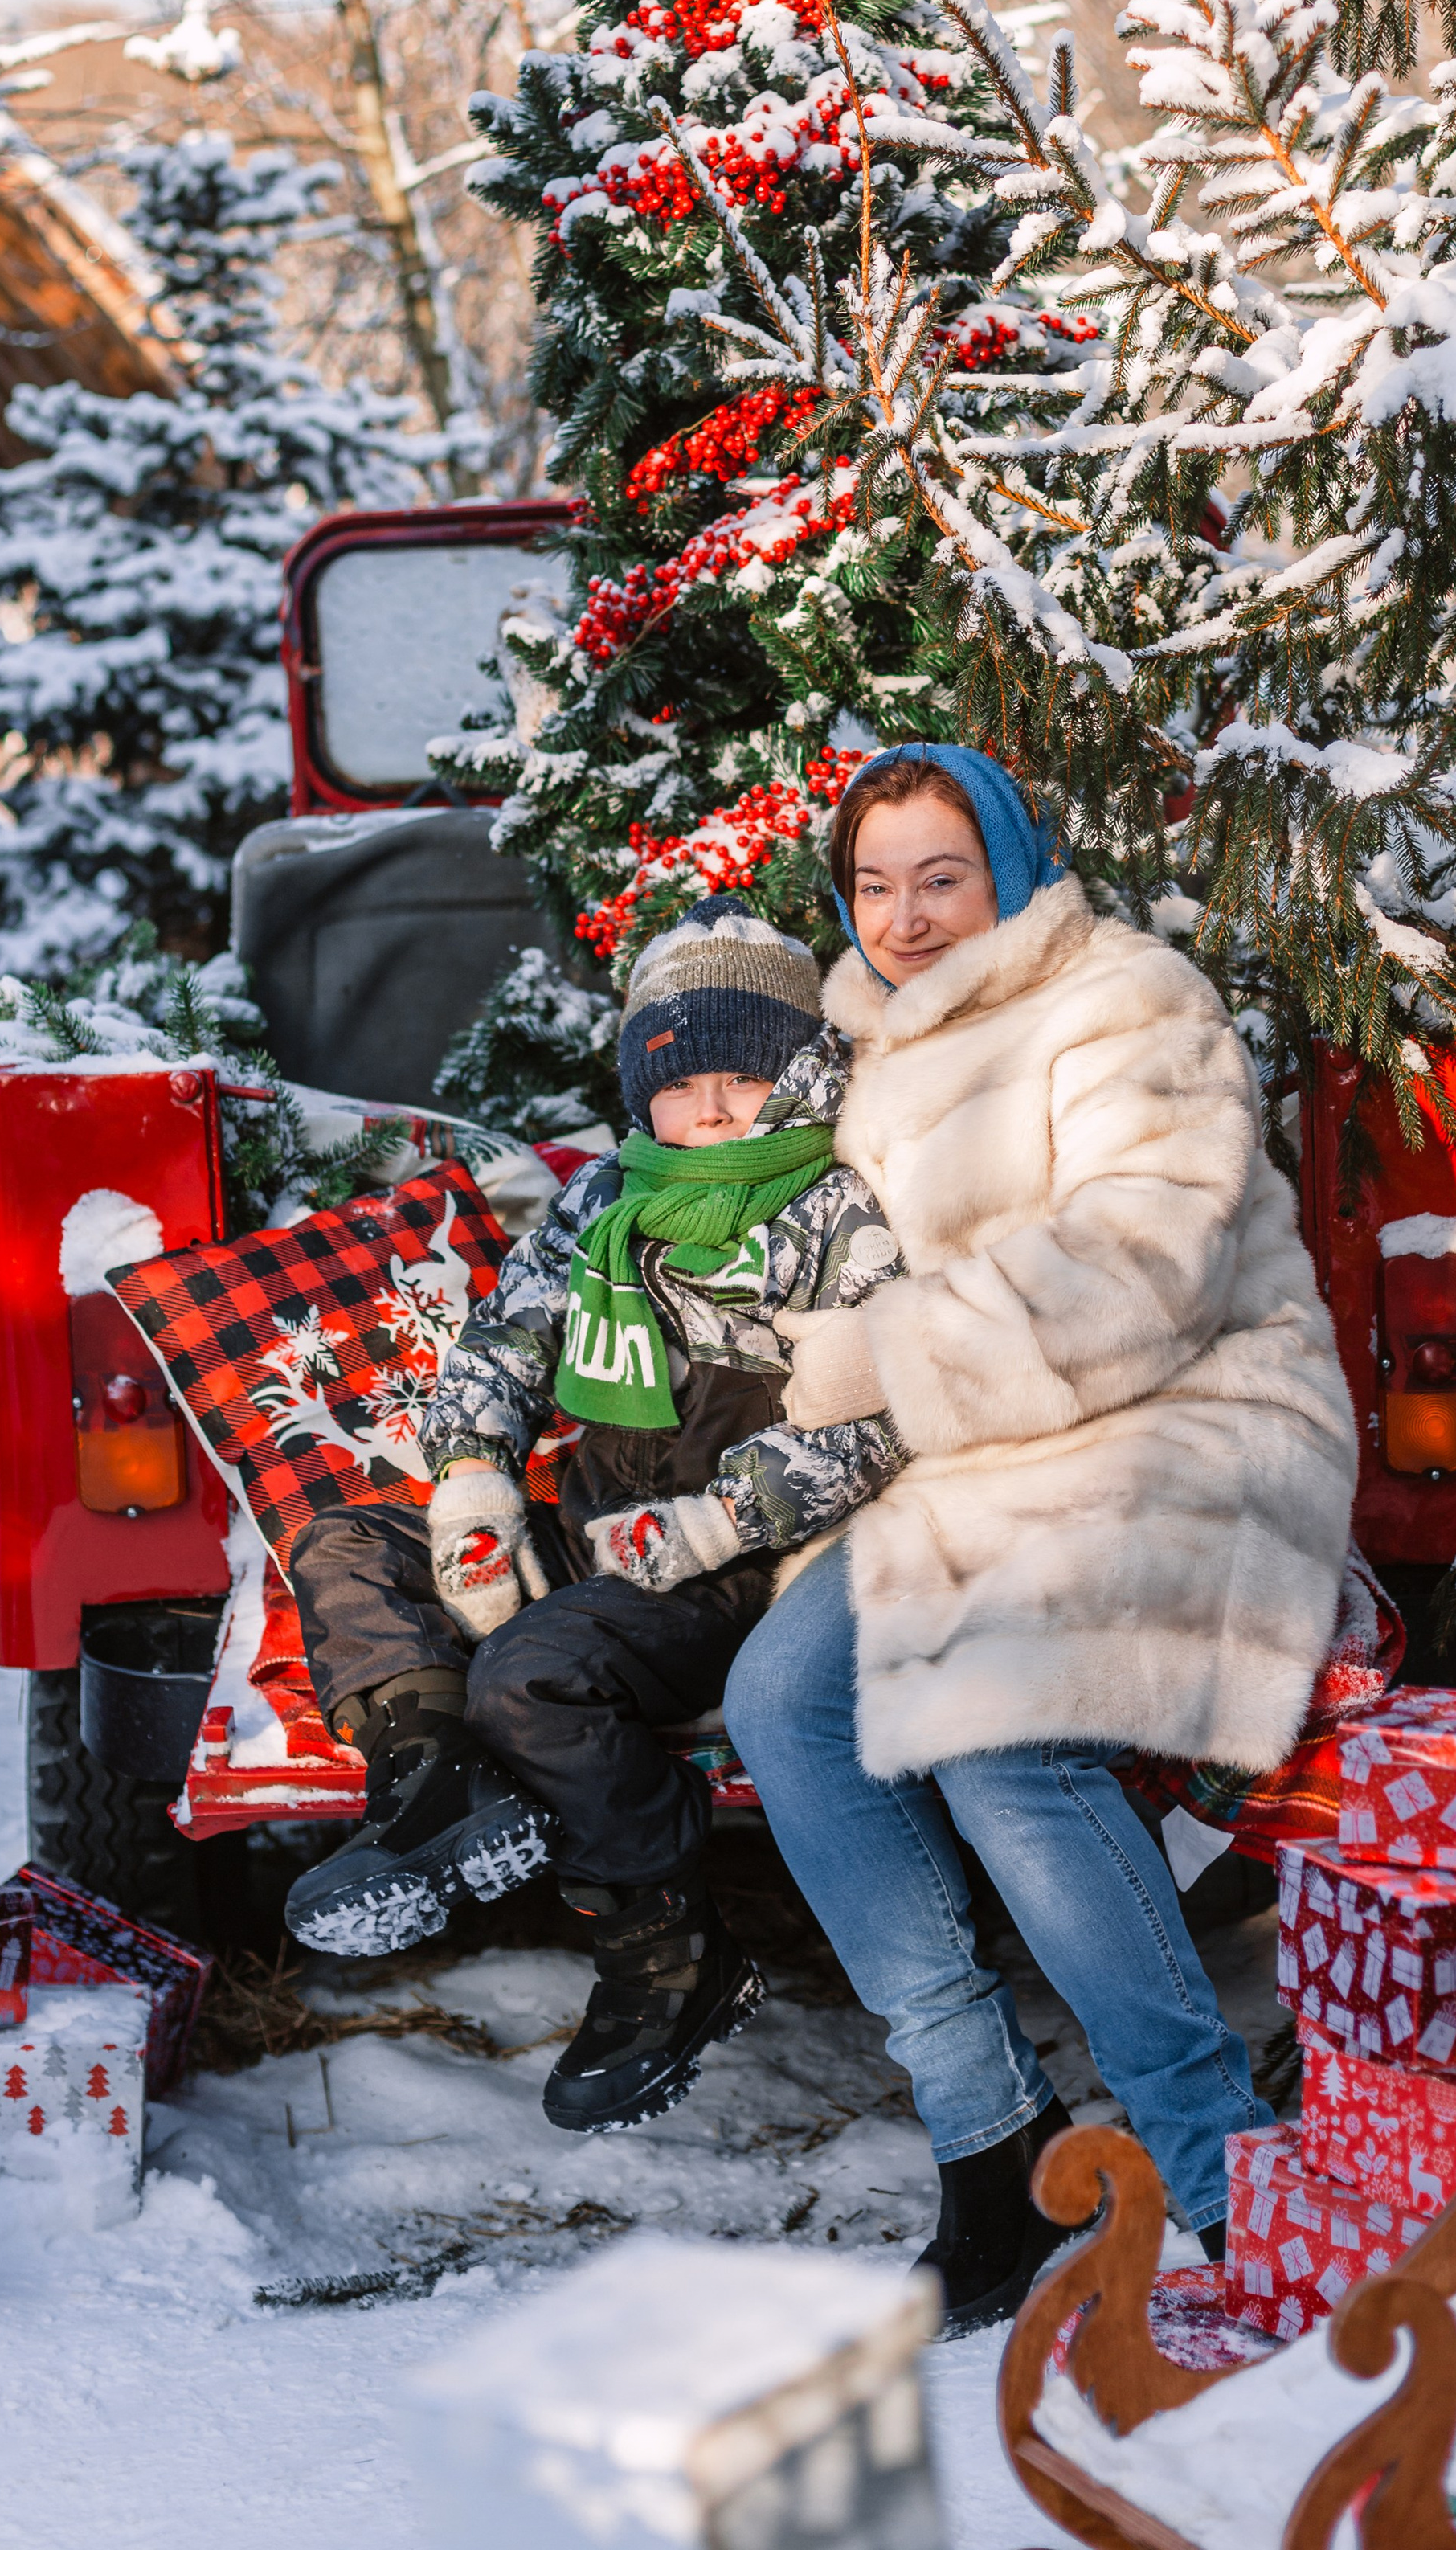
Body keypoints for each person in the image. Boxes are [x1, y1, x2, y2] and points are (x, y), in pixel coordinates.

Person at [724, 745, 1360, 2335]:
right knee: (778, 1702)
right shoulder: (856, 1039)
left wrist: (894, 1350)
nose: (905, 914)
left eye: (939, 874)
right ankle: (988, 2141)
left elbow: (1145, 1261)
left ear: (1008, 864)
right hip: (980, 1446)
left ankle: (1219, 2167)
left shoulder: (1124, 1002)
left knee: (1004, 1731)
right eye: (873, 884)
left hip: (1181, 1424)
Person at [283, 893, 905, 2134]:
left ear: (805, 1076)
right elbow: (503, 1346)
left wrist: (717, 1526)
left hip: (734, 1561)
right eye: (681, 1083)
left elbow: (878, 1423)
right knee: (347, 1542)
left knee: (529, 1670)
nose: (713, 1106)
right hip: (600, 1517)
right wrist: (473, 1485)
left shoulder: (837, 1218)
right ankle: (431, 1789)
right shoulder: (604, 1202)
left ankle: (667, 1947)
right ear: (642, 1095)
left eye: (746, 1073)